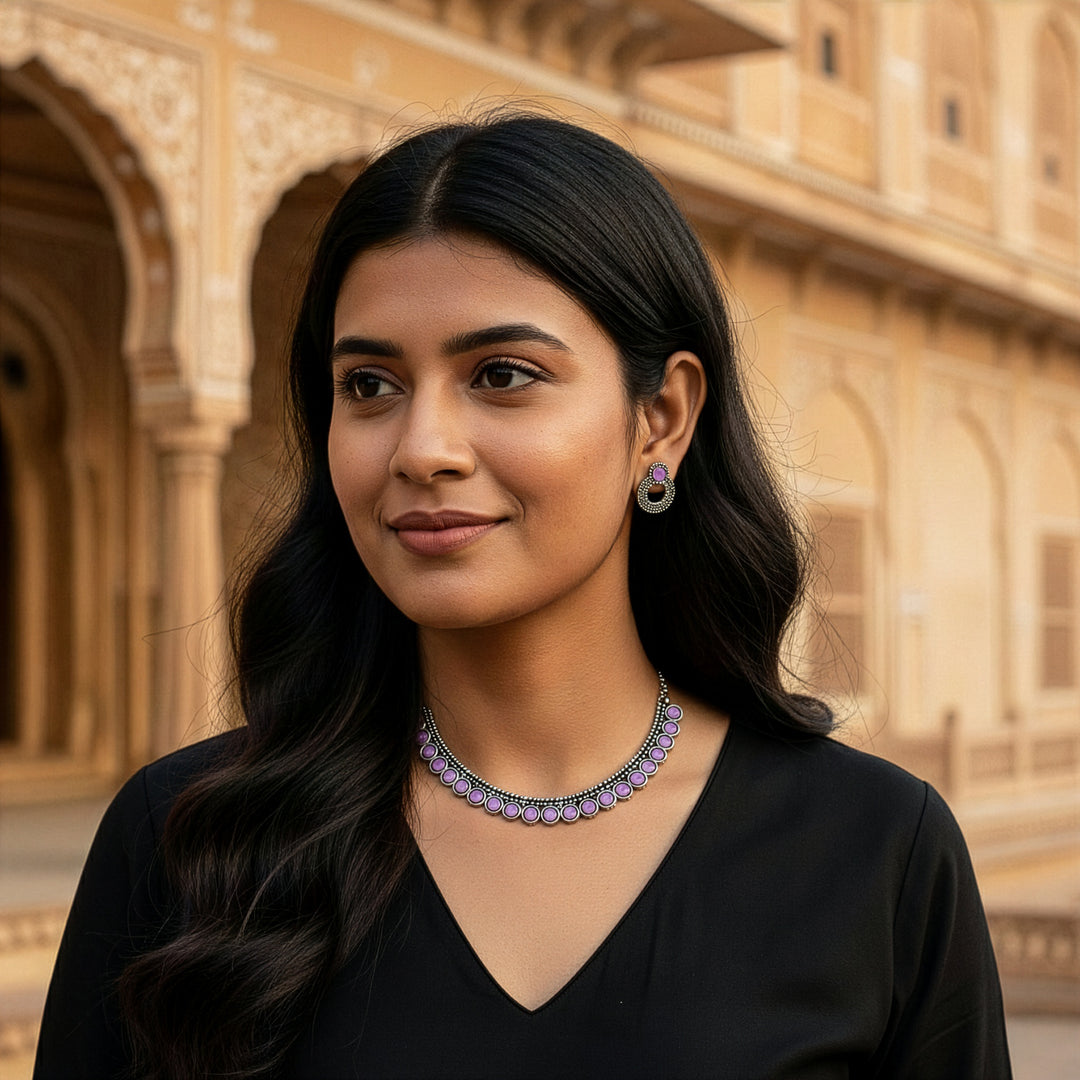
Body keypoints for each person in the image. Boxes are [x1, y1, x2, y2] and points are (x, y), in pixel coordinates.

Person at [34, 110, 1011, 1080]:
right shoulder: (190, 844)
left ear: (661, 419)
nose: (422, 449)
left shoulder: (871, 854)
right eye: (370, 386)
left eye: (501, 375)